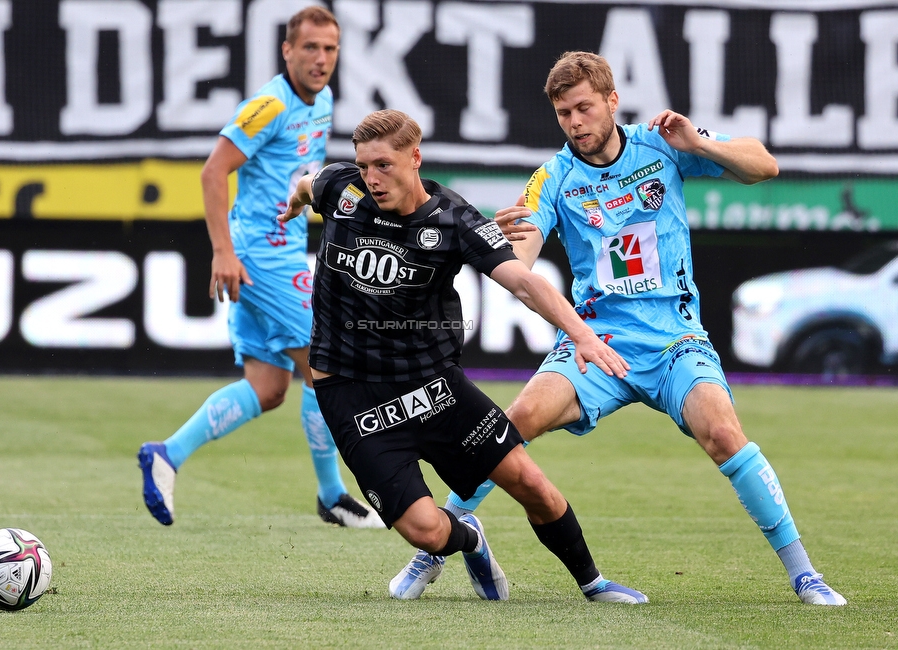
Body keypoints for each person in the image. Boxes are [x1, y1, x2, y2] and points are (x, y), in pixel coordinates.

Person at [392, 51, 847, 606]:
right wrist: (505, 247)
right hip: (597, 340)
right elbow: (524, 253)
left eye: (584, 108)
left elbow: (763, 165)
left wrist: (700, 143)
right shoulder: (554, 176)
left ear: (612, 101)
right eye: (564, 114)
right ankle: (434, 547)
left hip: (674, 337)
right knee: (517, 420)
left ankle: (805, 574)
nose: (575, 123)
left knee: (724, 434)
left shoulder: (662, 144)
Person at [277, 108, 647, 603]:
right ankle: (469, 537)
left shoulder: (455, 219)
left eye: (383, 165)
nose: (371, 178)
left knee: (531, 484)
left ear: (415, 157)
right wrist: (295, 200)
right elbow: (309, 182)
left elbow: (524, 282)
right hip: (351, 395)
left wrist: (581, 333)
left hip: (433, 385)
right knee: (428, 531)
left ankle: (593, 584)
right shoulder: (342, 190)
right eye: (364, 166)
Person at [138, 6, 384, 529]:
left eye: (330, 49)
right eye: (311, 48)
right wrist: (223, 252)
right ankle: (333, 493)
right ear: (287, 51)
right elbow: (213, 171)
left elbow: (300, 174)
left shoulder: (323, 101)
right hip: (257, 258)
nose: (321, 59)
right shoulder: (268, 104)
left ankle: (167, 454)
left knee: (269, 387)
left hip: (282, 253)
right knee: (328, 362)